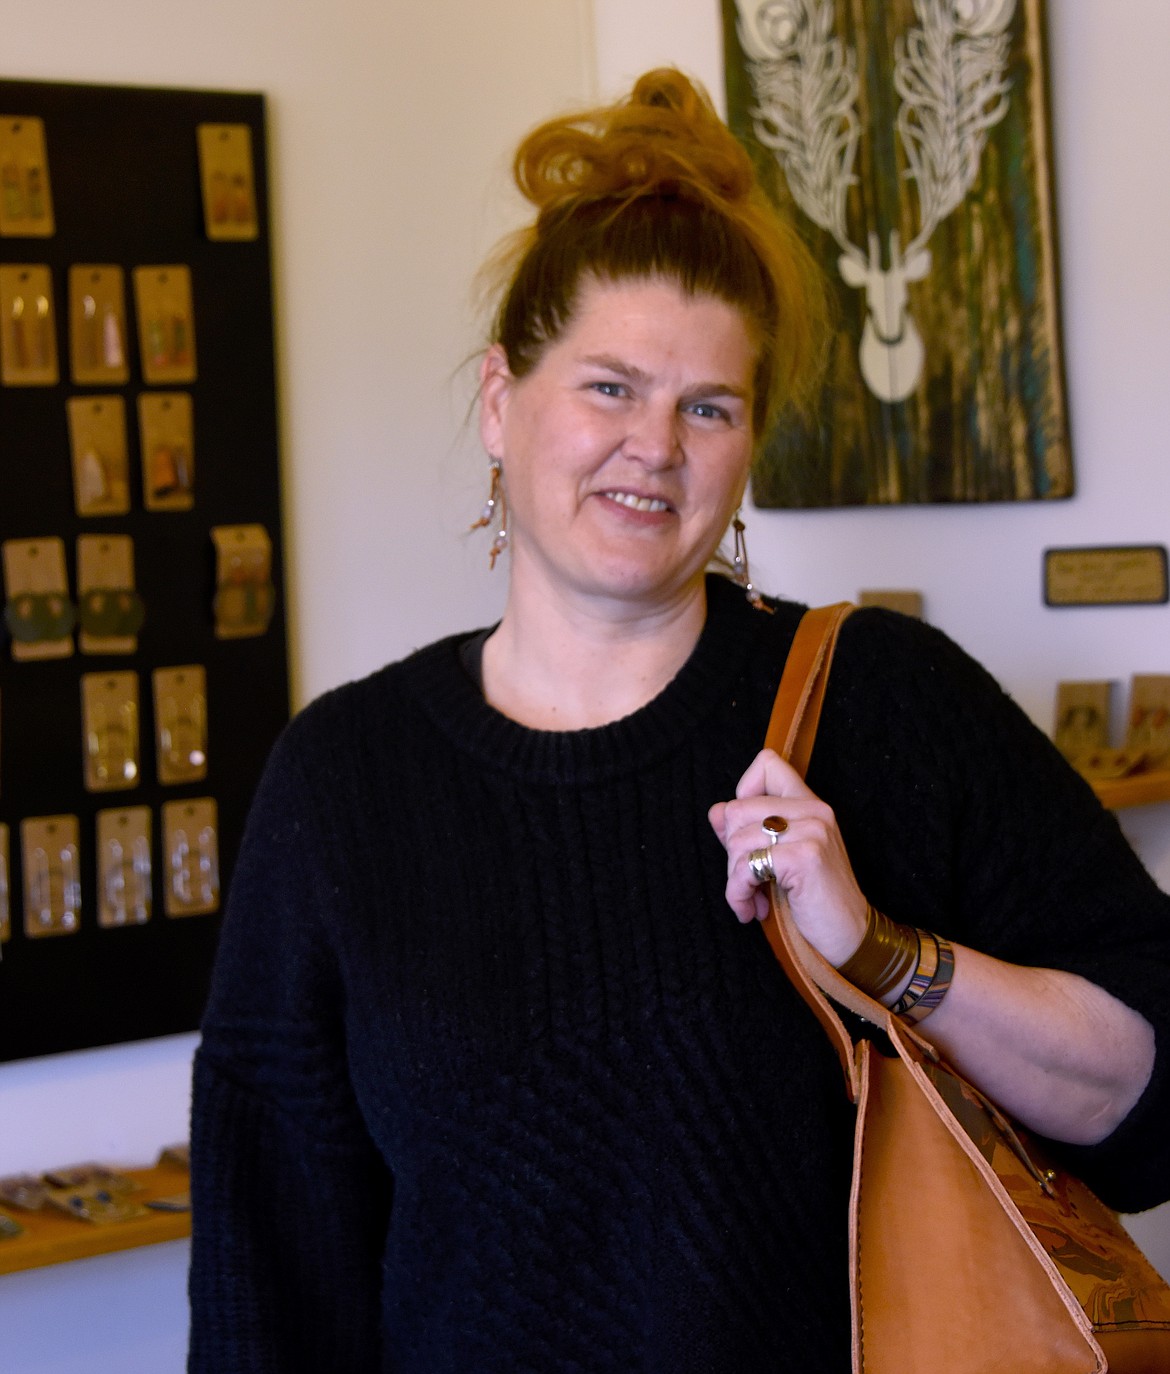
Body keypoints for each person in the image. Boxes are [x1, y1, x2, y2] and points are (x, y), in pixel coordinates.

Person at [188, 69, 1170, 1373]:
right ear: (500, 400)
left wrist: (881, 953)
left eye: (706, 406)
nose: (653, 445)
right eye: (607, 386)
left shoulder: (880, 701)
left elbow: (1149, 1100)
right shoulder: (344, 780)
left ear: (746, 442)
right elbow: (272, 1280)